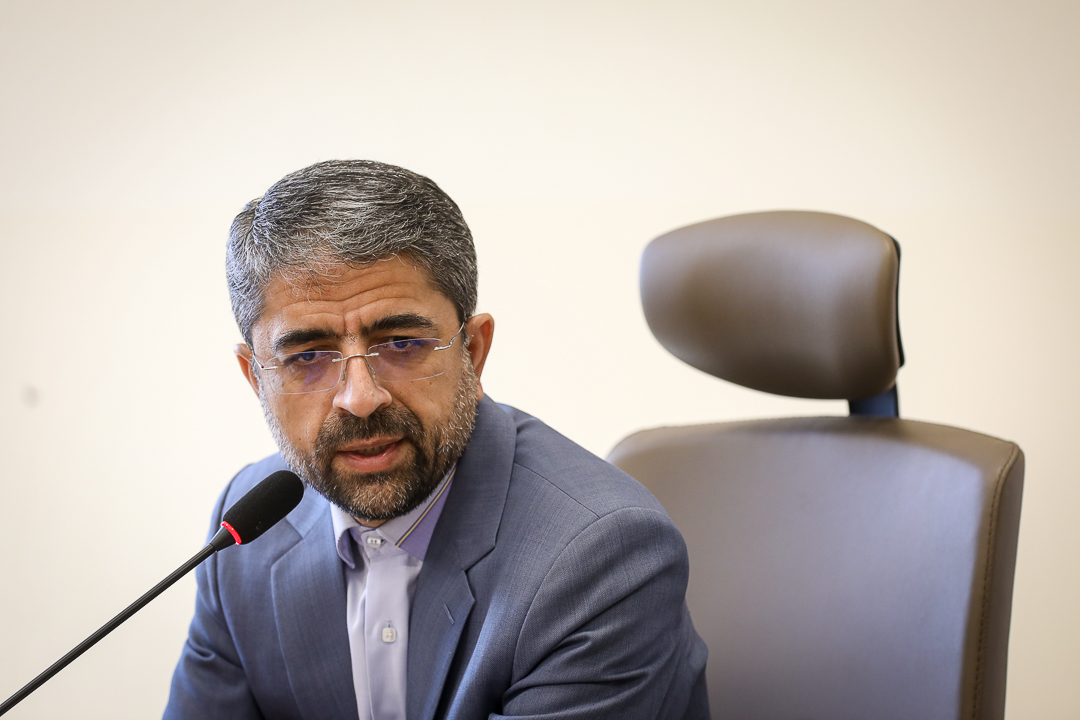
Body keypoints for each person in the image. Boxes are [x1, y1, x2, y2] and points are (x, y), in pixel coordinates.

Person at [164, 160, 709, 720]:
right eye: (307, 357)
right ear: (256, 378)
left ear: (473, 352)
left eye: (401, 344)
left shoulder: (601, 556)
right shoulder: (246, 532)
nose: (360, 397)